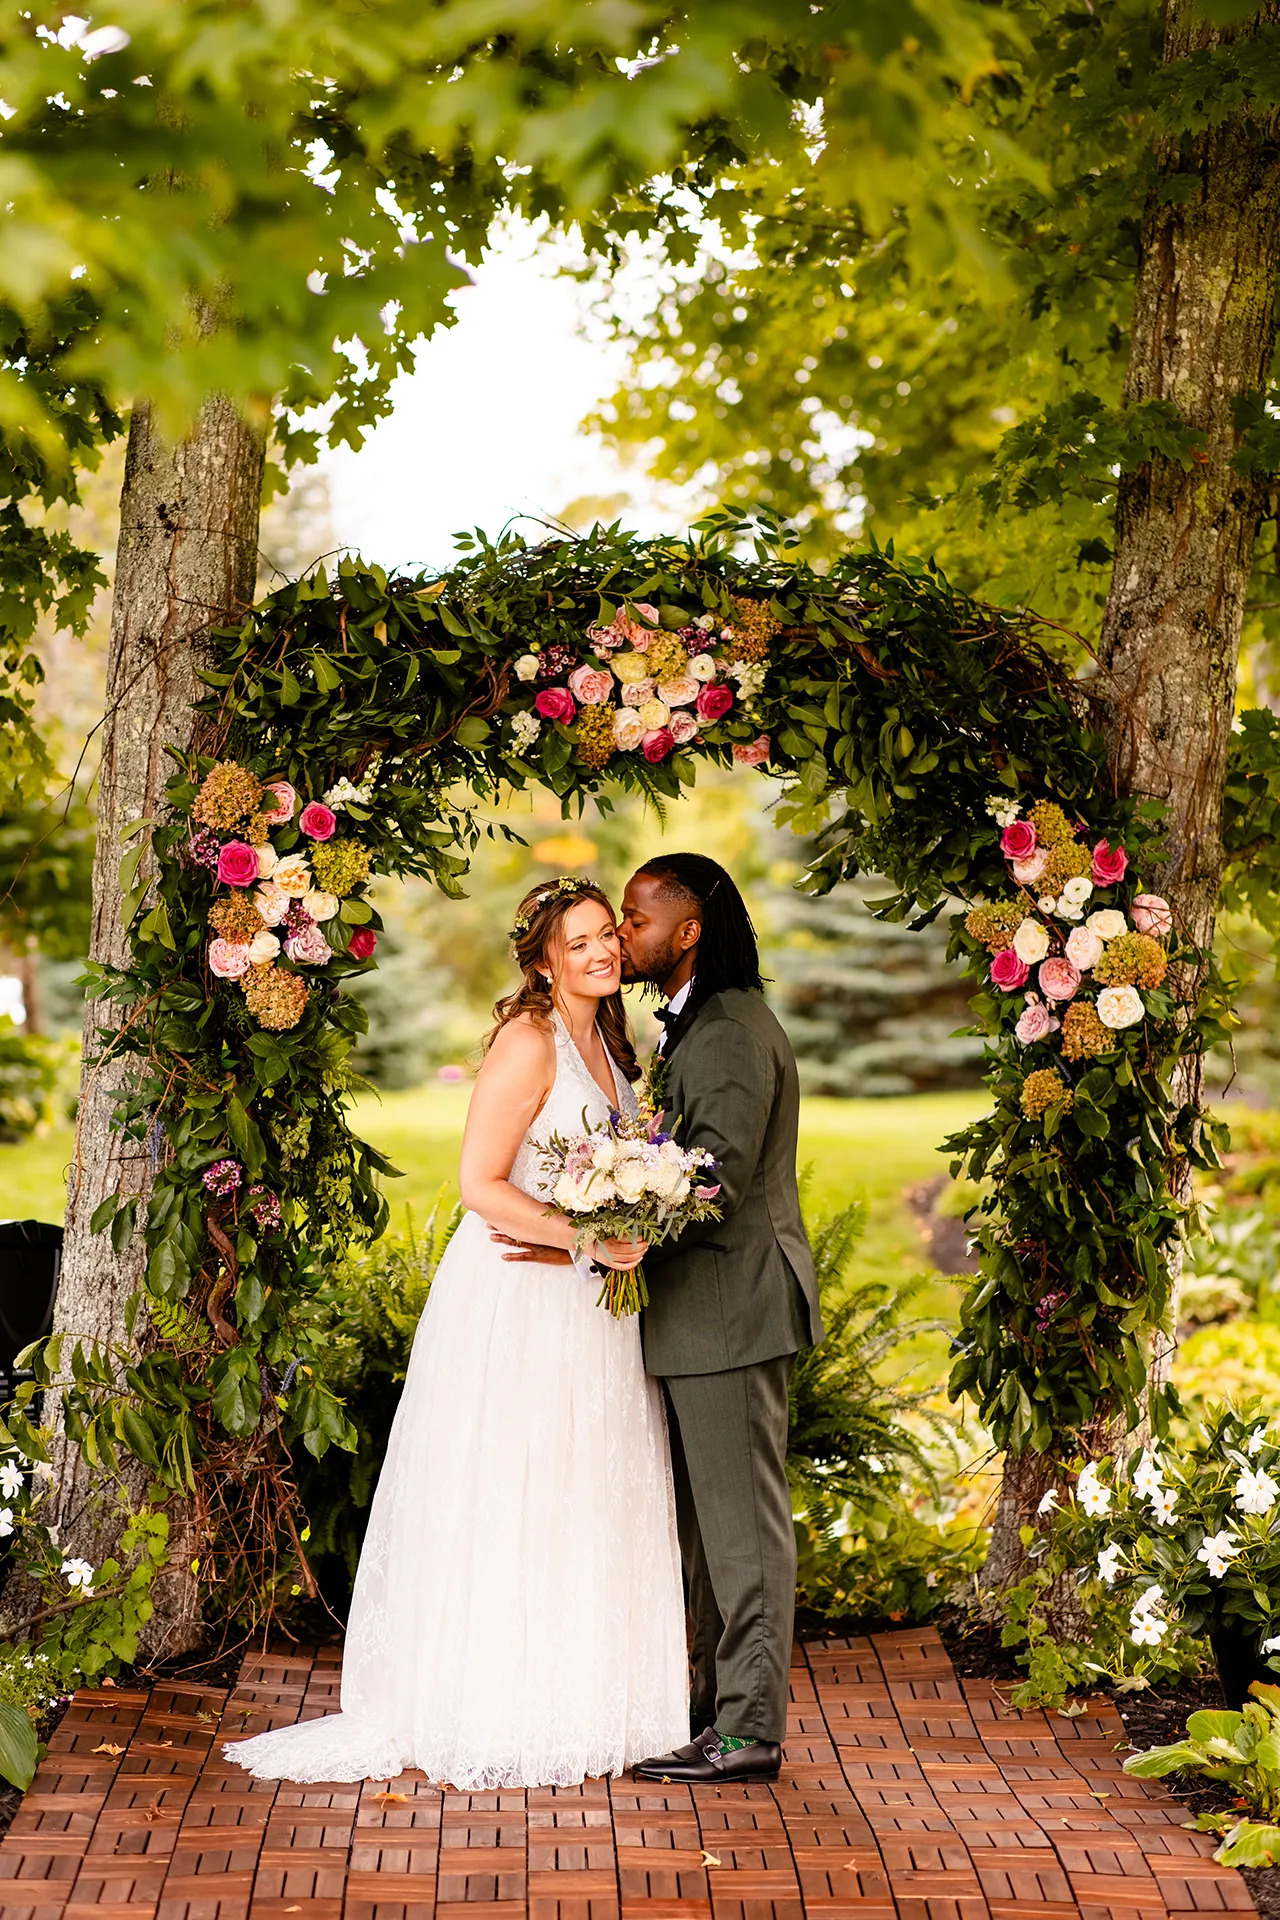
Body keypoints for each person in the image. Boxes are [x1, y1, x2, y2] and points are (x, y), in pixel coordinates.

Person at [222, 877, 688, 1789]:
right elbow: (481, 1185)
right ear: (544, 955)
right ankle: (499, 1701)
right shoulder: (528, 1039)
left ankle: (591, 1695)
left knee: (586, 1485)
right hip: (520, 1300)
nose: (602, 952)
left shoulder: (610, 1040)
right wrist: (591, 1232)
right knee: (518, 1487)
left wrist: (626, 1225)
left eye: (608, 938)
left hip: (587, 1301)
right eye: (581, 940)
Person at [502, 854, 823, 1785]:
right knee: (706, 1534)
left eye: (636, 921)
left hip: (731, 1312)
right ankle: (716, 1712)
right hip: (702, 1316)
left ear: (687, 933)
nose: (623, 937)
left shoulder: (725, 1031)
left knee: (743, 1532)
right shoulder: (696, 1026)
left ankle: (749, 1733)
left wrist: (588, 1236)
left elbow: (707, 1181)